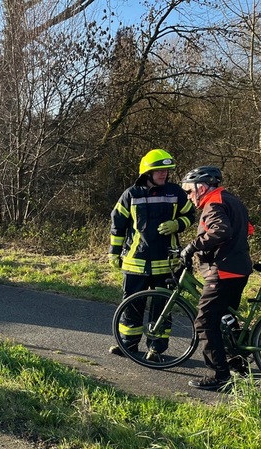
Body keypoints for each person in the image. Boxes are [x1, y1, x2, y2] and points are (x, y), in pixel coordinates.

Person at [108, 149, 196, 360]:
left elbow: (191, 215)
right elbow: (117, 225)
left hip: (166, 262)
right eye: (159, 170)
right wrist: (114, 253)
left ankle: (155, 350)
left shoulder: (176, 193)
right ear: (147, 172)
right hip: (135, 262)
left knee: (162, 308)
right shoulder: (131, 194)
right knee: (131, 307)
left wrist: (178, 224)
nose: (164, 174)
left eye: (166, 170)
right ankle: (127, 345)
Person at [179, 166, 253, 391]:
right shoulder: (231, 200)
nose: (189, 197)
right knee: (226, 320)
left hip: (223, 271)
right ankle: (237, 364)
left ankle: (218, 376)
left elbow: (221, 231)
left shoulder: (213, 203)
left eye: (189, 191)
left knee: (205, 322)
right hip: (239, 269)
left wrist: (192, 246)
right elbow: (248, 229)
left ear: (201, 187)